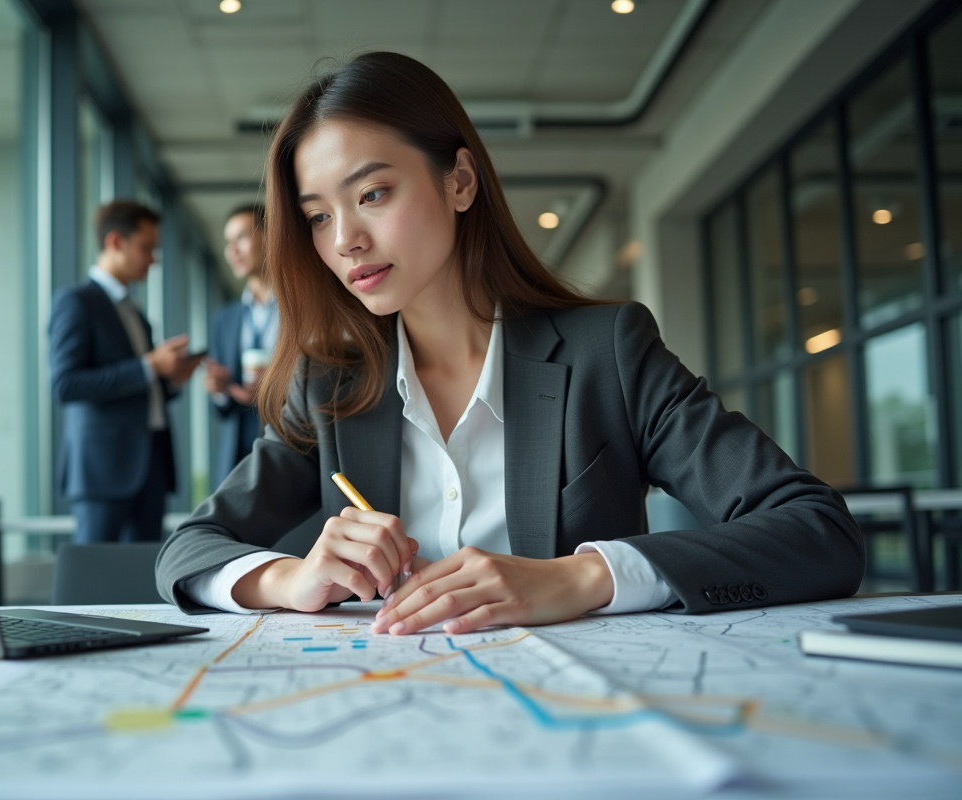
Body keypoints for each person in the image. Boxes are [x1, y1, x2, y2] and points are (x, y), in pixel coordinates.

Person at [155, 52, 863, 635]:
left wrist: (579, 577)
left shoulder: (606, 354)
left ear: (459, 181)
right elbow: (186, 550)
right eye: (317, 216)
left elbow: (816, 530)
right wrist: (291, 577)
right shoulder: (333, 383)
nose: (345, 241)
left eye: (372, 194)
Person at [50, 199, 200, 544]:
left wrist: (170, 378)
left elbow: (139, 386)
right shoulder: (76, 302)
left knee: (140, 578)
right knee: (93, 584)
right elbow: (64, 384)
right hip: (103, 469)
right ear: (115, 242)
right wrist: (149, 366)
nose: (153, 259)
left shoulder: (135, 311)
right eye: (146, 248)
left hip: (151, 466)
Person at [205, 204, 278, 489]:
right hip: (240, 452)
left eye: (241, 238)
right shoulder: (225, 319)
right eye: (227, 243)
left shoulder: (303, 309)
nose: (231, 250)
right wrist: (220, 390)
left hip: (294, 438)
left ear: (271, 237)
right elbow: (221, 410)